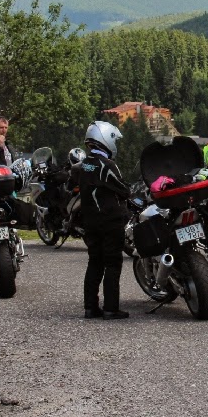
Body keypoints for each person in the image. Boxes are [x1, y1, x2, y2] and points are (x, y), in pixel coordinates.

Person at [71, 120, 131, 319]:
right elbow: (124, 189)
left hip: (90, 221)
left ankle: (90, 307)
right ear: (106, 139)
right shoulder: (107, 165)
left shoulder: (83, 165)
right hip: (110, 221)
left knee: (94, 263)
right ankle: (111, 308)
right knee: (113, 263)